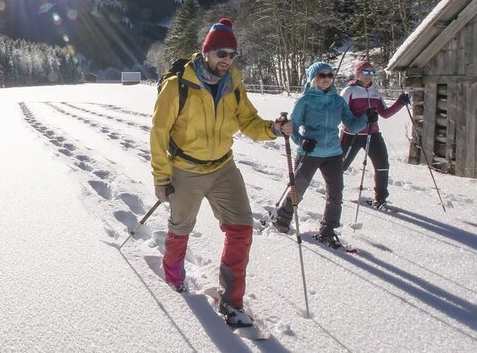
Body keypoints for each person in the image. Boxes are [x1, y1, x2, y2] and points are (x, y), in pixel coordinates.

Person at [150, 18, 293, 328]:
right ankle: (173, 274)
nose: (227, 60)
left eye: (232, 55)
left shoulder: (234, 85)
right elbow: (159, 133)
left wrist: (274, 128)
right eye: (221, 54)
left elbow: (249, 122)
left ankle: (232, 301)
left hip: (223, 167)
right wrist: (162, 177)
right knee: (180, 228)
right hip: (186, 169)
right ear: (206, 53)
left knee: (241, 229)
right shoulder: (178, 87)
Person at [270, 61, 368, 250]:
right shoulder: (305, 100)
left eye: (330, 76)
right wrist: (302, 141)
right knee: (298, 188)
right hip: (310, 152)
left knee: (336, 193)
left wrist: (366, 118)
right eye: (322, 75)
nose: (326, 79)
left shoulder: (338, 101)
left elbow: (352, 125)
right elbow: (293, 127)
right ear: (313, 78)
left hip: (333, 152)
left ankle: (328, 230)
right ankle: (282, 217)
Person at [339, 61, 411, 209]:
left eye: (372, 73)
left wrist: (400, 103)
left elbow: (385, 114)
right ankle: (334, 195)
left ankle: (381, 199)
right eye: (365, 72)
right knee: (340, 166)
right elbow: (342, 114)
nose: (368, 76)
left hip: (372, 133)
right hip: (351, 134)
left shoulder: (375, 92)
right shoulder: (348, 91)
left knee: (382, 164)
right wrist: (363, 118)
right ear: (358, 74)